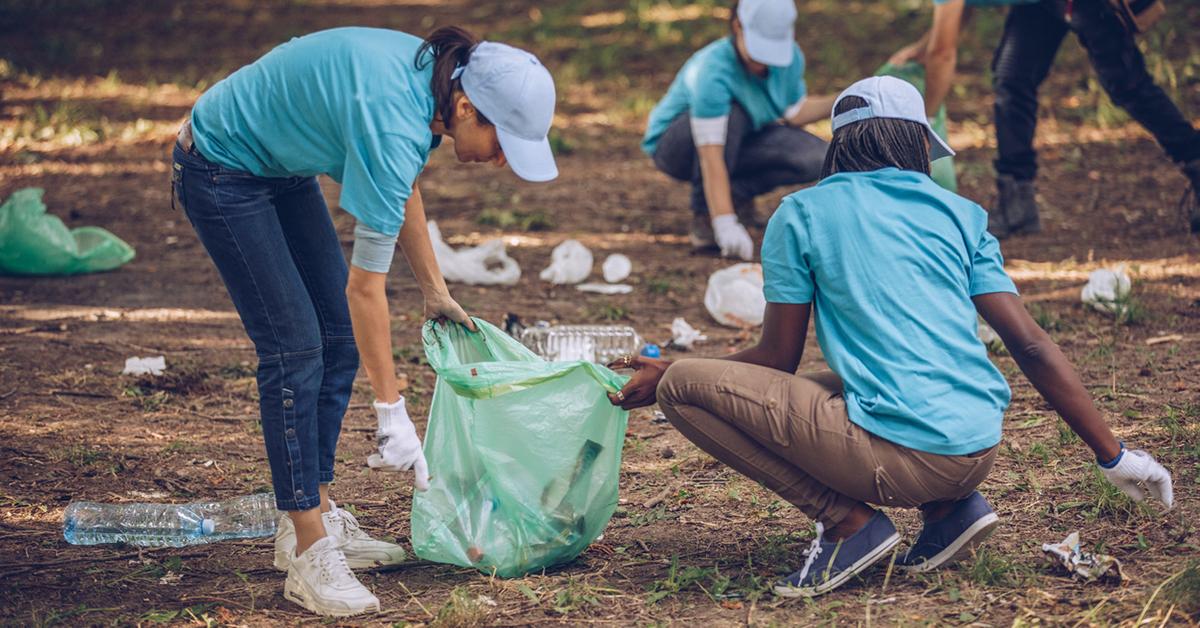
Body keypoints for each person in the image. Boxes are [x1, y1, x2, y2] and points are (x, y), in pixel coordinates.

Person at [608, 76, 1173, 597]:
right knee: (831, 384)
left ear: (837, 147)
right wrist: (1114, 455)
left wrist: (672, 372)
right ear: (918, 145)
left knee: (682, 386)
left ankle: (848, 524)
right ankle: (951, 512)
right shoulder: (961, 213)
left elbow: (775, 359)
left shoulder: (800, 213)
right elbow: (1031, 344)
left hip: (908, 459)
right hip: (977, 446)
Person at [171, 26, 557, 616]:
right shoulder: (395, 118)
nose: (504, 159)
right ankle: (307, 550)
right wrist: (391, 410)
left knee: (333, 339)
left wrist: (435, 292)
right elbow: (366, 289)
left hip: (280, 164)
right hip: (223, 165)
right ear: (466, 106)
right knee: (295, 350)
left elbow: (399, 186)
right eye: (504, 141)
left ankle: (315, 512)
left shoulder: (430, 92)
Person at [888, 0, 1200, 237]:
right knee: (1012, 77)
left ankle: (1195, 160)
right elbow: (959, 11)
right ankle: (1016, 201)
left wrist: (923, 122)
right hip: (1037, 5)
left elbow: (943, 54)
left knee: (1128, 85)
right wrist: (922, 47)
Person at [641, 0, 836, 260]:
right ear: (737, 26)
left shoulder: (790, 59)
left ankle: (734, 195)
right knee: (733, 114)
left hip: (744, 138)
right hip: (678, 146)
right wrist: (724, 222)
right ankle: (706, 218)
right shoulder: (713, 69)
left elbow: (793, 111)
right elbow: (711, 155)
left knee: (817, 157)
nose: (764, 63)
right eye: (759, 50)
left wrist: (844, 99)